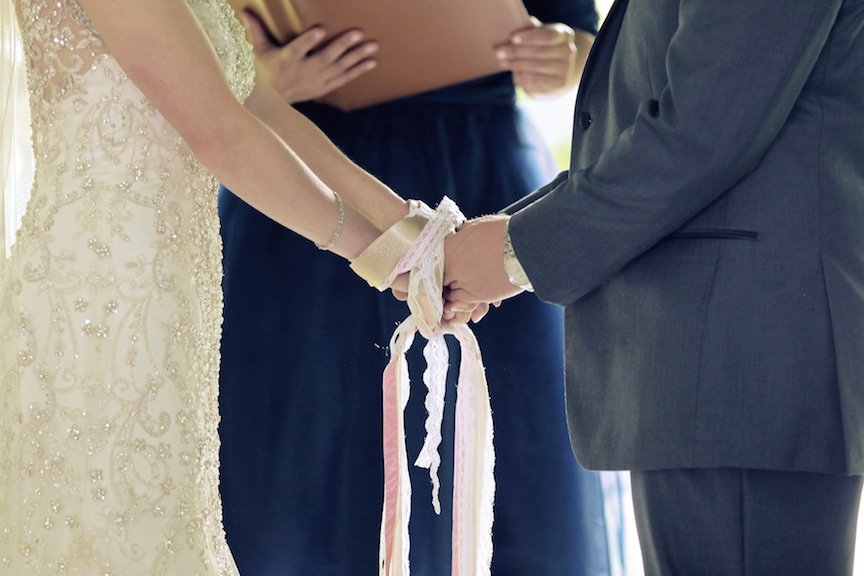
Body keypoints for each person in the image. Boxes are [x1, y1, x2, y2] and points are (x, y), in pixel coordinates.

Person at [443, 0, 864, 574]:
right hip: (721, 354)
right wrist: (507, 242)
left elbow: (701, 130)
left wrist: (515, 252)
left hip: (739, 358)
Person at [0, 0, 421, 572]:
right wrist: (385, 260)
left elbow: (260, 105)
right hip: (94, 296)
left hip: (171, 288)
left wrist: (415, 234)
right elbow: (221, 134)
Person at [217, 2, 614, 575]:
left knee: (503, 448)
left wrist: (570, 55)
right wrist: (263, 81)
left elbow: (584, 35)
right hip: (302, 178)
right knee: (297, 449)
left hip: (474, 173)